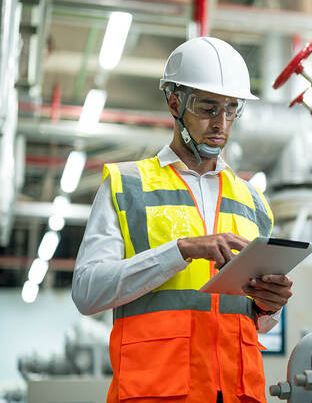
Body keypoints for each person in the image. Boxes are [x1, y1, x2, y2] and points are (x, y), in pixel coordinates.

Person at [72, 37, 293, 403]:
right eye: (208, 108)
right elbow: (87, 292)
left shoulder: (253, 200)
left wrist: (271, 304)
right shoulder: (127, 186)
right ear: (175, 103)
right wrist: (183, 250)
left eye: (231, 110)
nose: (221, 124)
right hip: (157, 393)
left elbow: (254, 322)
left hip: (238, 394)